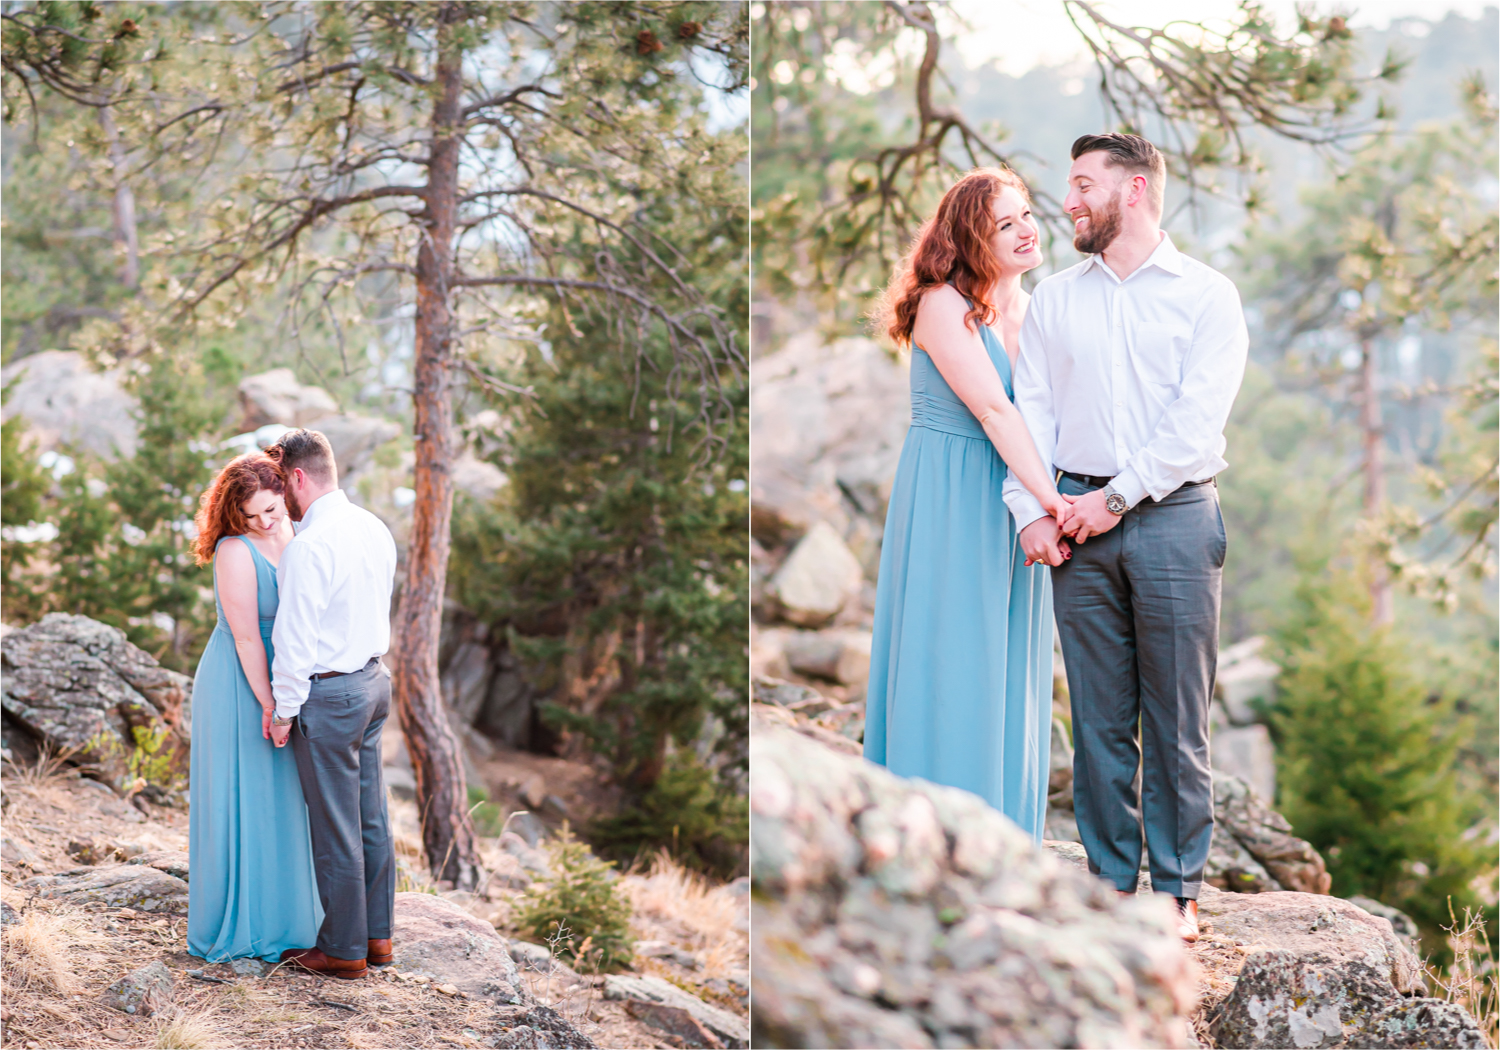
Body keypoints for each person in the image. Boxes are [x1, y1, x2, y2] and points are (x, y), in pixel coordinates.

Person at [1004, 133, 1249, 941]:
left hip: (1175, 518)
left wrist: (1116, 497)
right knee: (1101, 721)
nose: (1067, 200)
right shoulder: (1054, 299)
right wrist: (1029, 508)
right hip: (1073, 521)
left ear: (1134, 190)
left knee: (1177, 718)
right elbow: (1028, 413)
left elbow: (1193, 423)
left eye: (1082, 184)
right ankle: (1110, 890)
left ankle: (1176, 892)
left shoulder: (1208, 296)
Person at [864, 167, 1076, 840]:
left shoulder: (1037, 308)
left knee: (1008, 664)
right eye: (1003, 224)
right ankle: (929, 835)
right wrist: (1053, 502)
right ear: (970, 239)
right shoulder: (941, 305)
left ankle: (1004, 837)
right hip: (952, 496)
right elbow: (991, 408)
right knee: (950, 654)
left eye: (1026, 215)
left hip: (1015, 502)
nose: (1025, 231)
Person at [266, 429, 399, 980]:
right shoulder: (373, 525)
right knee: (371, 817)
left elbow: (295, 643)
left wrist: (283, 711)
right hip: (372, 682)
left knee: (335, 826)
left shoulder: (310, 547)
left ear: (298, 478)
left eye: (282, 485)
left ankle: (343, 951)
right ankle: (378, 937)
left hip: (330, 694)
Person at [187, 452, 323, 962]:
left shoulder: (298, 534)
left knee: (284, 800)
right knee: (242, 800)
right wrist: (272, 706)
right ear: (235, 516)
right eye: (253, 516)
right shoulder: (234, 551)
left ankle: (290, 921)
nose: (265, 522)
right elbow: (247, 639)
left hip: (286, 683)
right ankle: (241, 924)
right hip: (240, 686)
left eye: (272, 510)